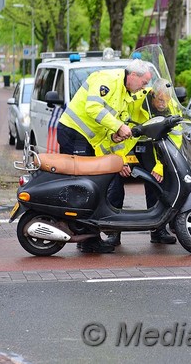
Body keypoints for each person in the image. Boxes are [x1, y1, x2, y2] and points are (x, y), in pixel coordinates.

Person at [56, 59, 153, 253]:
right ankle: (86, 240)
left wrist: (115, 141)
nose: (145, 87)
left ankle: (89, 238)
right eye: (144, 82)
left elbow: (105, 128)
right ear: (133, 76)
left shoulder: (126, 94)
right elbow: (93, 108)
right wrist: (118, 127)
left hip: (88, 140)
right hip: (74, 134)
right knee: (85, 187)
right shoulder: (108, 79)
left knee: (94, 187)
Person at [103, 78, 181, 247]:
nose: (163, 104)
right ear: (153, 94)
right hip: (127, 143)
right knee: (115, 187)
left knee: (157, 184)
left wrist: (160, 166)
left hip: (149, 146)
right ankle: (113, 234)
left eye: (166, 100)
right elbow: (118, 130)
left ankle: (158, 230)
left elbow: (176, 138)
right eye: (160, 100)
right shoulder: (136, 101)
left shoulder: (172, 106)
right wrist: (120, 160)